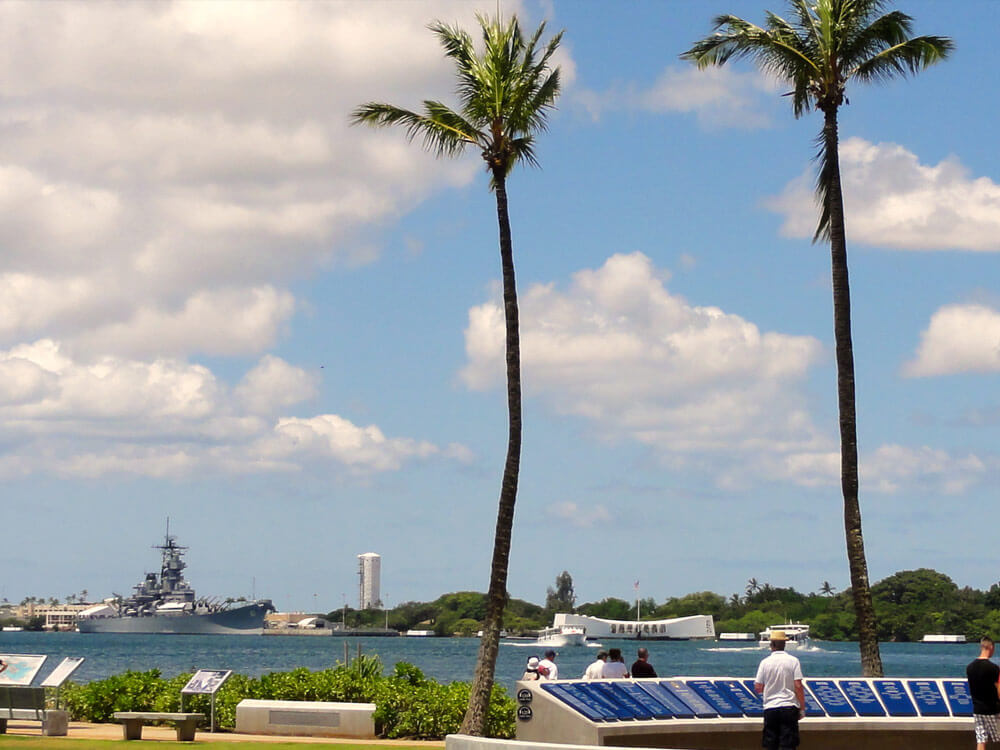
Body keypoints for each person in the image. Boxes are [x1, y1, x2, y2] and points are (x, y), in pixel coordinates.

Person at [754, 629, 805, 750]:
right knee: (788, 744)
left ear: (772, 644)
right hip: (789, 706)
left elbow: (758, 687)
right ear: (784, 644)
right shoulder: (794, 661)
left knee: (770, 744)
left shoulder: (764, 663)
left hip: (770, 707)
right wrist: (802, 708)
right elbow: (798, 685)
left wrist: (770, 688)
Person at [967, 636, 1000, 750]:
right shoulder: (994, 668)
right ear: (991, 647)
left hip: (978, 710)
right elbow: (998, 689)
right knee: (997, 737)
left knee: (981, 739)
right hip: (992, 710)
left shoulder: (969, 667)